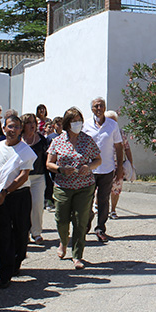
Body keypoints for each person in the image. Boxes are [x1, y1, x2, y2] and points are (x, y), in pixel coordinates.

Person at [47, 107, 101, 270]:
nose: (77, 124)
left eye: (79, 120)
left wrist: (89, 167)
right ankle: (63, 241)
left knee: (80, 221)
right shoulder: (57, 141)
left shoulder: (87, 140)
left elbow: (98, 159)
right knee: (61, 219)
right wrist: (61, 169)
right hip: (63, 186)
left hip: (84, 186)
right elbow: (49, 163)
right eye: (73, 121)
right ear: (66, 123)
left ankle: (77, 256)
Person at [0, 114, 36, 289]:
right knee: (4, 235)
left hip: (20, 195)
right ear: (4, 128)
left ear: (21, 130)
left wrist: (6, 191)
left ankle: (17, 260)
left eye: (16, 127)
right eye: (10, 126)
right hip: (1, 196)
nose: (13, 130)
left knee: (20, 232)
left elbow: (23, 176)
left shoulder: (26, 151)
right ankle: (5, 271)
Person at [82, 97, 123, 242]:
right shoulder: (85, 125)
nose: (99, 108)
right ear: (91, 108)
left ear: (105, 108)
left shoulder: (112, 125)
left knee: (103, 200)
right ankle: (86, 222)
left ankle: (100, 228)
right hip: (89, 170)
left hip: (107, 169)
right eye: (96, 106)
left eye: (101, 106)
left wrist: (120, 169)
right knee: (87, 200)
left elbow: (119, 146)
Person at [21, 113, 50, 245]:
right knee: (23, 207)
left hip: (38, 177)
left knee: (37, 205)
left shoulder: (42, 140)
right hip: (22, 177)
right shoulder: (18, 140)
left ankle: (36, 232)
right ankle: (23, 232)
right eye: (28, 122)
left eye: (34, 122)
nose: (32, 125)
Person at [104, 110, 135, 219]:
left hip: (118, 166)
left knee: (116, 189)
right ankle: (100, 208)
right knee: (101, 189)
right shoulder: (102, 131)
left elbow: (127, 148)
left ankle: (113, 210)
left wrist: (130, 163)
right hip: (104, 166)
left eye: (114, 121)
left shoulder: (121, 133)